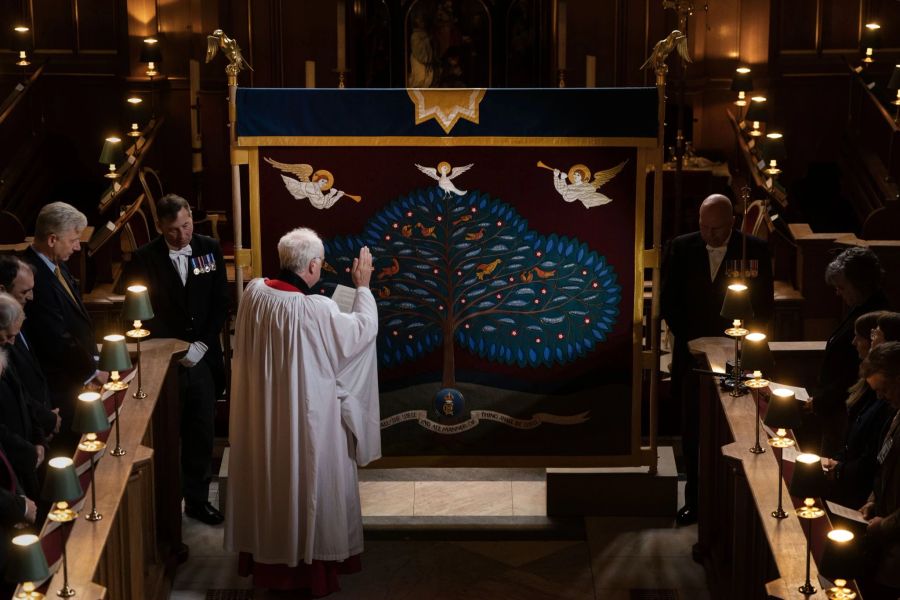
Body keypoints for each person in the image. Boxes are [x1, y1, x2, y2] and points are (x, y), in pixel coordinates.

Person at [226, 228, 379, 596]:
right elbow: (361, 332)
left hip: (265, 415)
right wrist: (362, 288)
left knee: (271, 484)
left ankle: (268, 558)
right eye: (320, 265)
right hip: (307, 420)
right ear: (312, 265)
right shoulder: (318, 308)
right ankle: (308, 566)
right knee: (307, 483)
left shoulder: (254, 293)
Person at [661, 193, 774, 525]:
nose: (709, 234)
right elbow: (669, 300)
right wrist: (692, 338)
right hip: (693, 355)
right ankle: (694, 502)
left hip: (738, 355)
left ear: (733, 223)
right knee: (693, 431)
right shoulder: (681, 248)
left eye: (717, 228)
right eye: (704, 226)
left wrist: (734, 340)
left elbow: (765, 306)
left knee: (735, 430)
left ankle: (731, 507)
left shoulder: (753, 250)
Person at [125, 194, 228, 526]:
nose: (182, 235)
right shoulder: (143, 258)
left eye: (186, 226)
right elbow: (138, 312)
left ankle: (197, 500)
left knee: (201, 431)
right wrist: (173, 348)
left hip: (202, 358)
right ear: (159, 227)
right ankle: (167, 506)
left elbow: (219, 303)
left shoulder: (208, 247)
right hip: (164, 362)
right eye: (173, 230)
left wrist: (202, 345)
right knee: (168, 434)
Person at [22, 202, 103, 449]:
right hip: (60, 385)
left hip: (74, 375)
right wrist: (91, 371)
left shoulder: (56, 263)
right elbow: (56, 337)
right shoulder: (34, 276)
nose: (78, 246)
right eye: (73, 240)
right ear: (52, 239)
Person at [809, 247, 890, 456]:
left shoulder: (875, 316)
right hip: (835, 405)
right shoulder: (858, 306)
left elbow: (856, 370)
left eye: (842, 288)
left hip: (846, 409)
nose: (838, 293)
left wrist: (823, 399)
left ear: (859, 284)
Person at [821, 311, 895, 508]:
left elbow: (875, 459)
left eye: (873, 337)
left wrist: (840, 470)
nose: (855, 342)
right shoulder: (872, 386)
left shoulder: (889, 402)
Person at [0, 255, 59, 442]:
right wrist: (45, 419)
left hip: (37, 424)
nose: (31, 297)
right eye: (25, 291)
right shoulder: (4, 327)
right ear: (2, 289)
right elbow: (18, 390)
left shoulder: (17, 313)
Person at [858, 342, 900, 599]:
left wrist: (883, 526)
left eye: (884, 389)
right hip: (886, 545)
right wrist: (873, 499)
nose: (880, 397)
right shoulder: (896, 414)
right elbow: (884, 464)